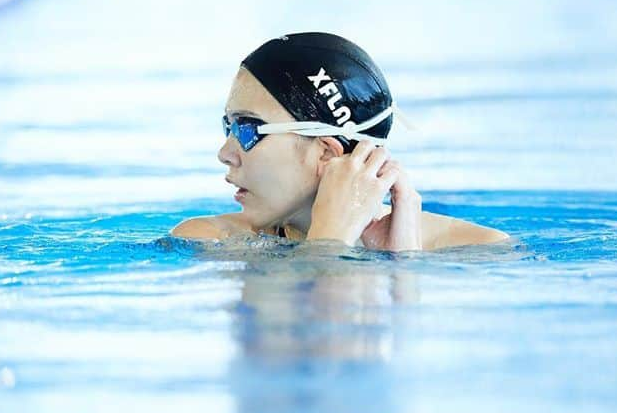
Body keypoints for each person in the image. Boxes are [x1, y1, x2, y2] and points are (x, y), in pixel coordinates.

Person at [171, 32, 508, 251]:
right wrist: (330, 241)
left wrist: (402, 264)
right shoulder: (207, 239)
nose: (225, 153)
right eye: (227, 127)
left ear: (327, 153)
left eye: (247, 129)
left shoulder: (482, 249)